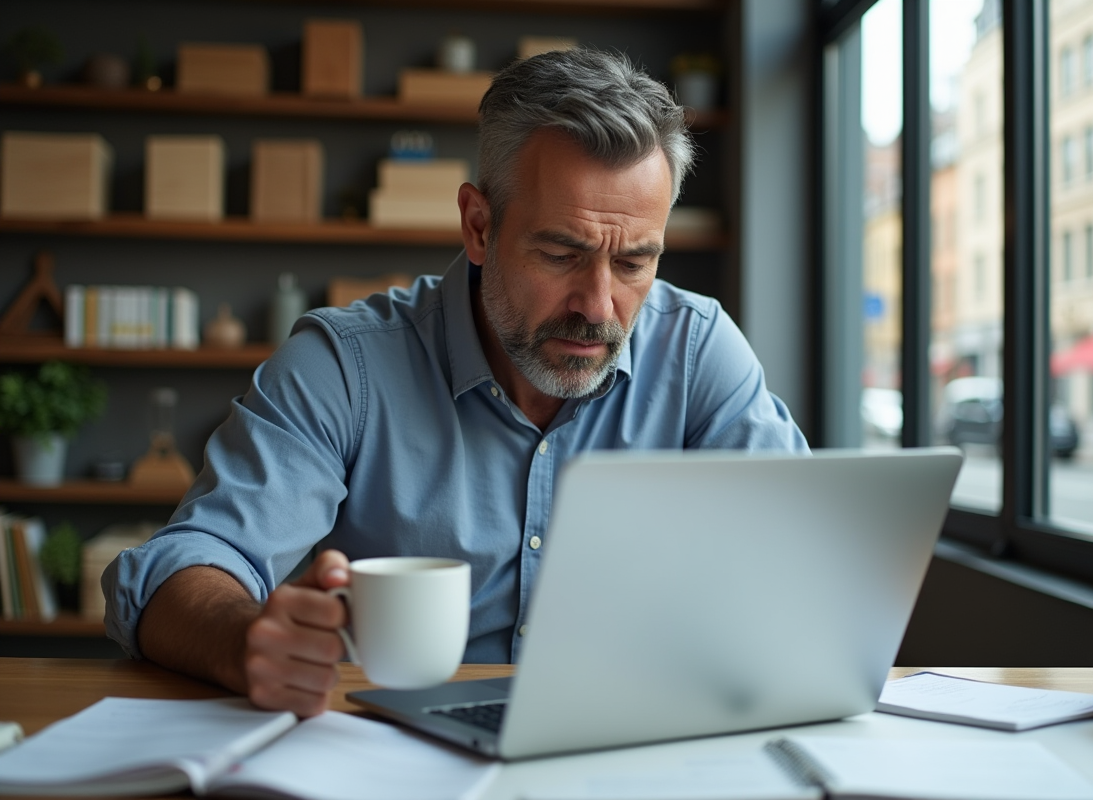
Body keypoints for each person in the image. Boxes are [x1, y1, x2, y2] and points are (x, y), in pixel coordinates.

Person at [103, 48, 808, 717]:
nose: (598, 307)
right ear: (478, 225)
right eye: (562, 253)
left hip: (630, 744)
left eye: (633, 264)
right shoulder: (345, 366)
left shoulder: (696, 349)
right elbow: (183, 565)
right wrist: (244, 640)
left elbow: (807, 558)